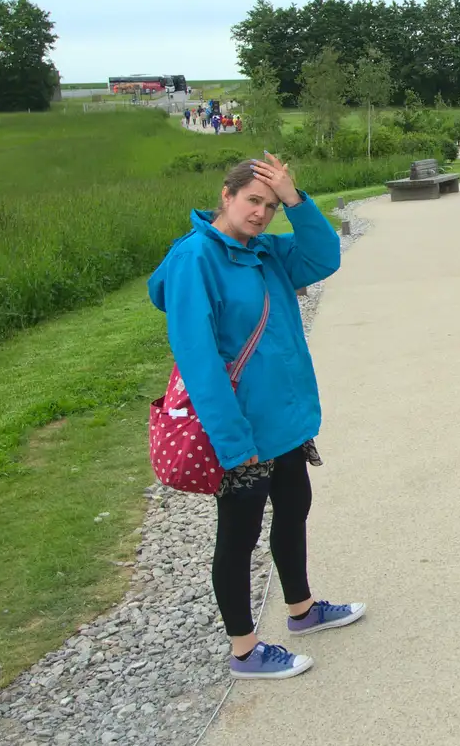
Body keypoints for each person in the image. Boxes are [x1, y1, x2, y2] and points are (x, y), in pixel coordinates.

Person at [148, 154, 364, 681]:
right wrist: (229, 439)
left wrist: (297, 200)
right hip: (241, 429)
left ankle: (302, 610)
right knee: (239, 534)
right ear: (226, 196)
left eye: (270, 205)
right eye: (253, 201)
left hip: (283, 420)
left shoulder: (267, 251)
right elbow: (199, 361)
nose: (262, 214)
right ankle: (244, 651)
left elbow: (323, 255)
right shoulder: (195, 259)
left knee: (294, 508)